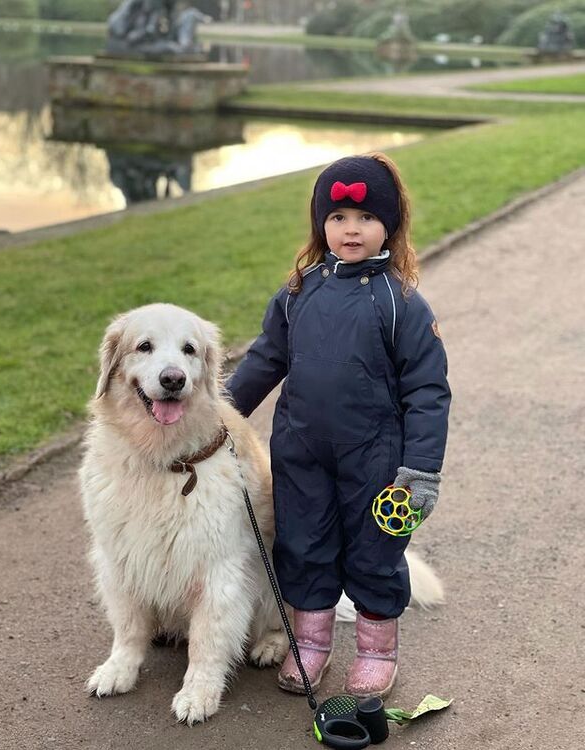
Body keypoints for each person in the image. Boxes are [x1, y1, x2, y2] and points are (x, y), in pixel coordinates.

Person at [225, 153, 451, 697]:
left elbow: (428, 391)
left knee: (376, 548)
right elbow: (265, 359)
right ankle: (310, 643)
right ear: (320, 224)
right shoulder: (300, 291)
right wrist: (220, 414)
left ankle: (376, 650)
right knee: (303, 543)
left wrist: (420, 469)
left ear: (389, 227)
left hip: (376, 457)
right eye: (338, 218)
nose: (351, 229)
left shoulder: (402, 304)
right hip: (301, 451)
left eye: (366, 218)